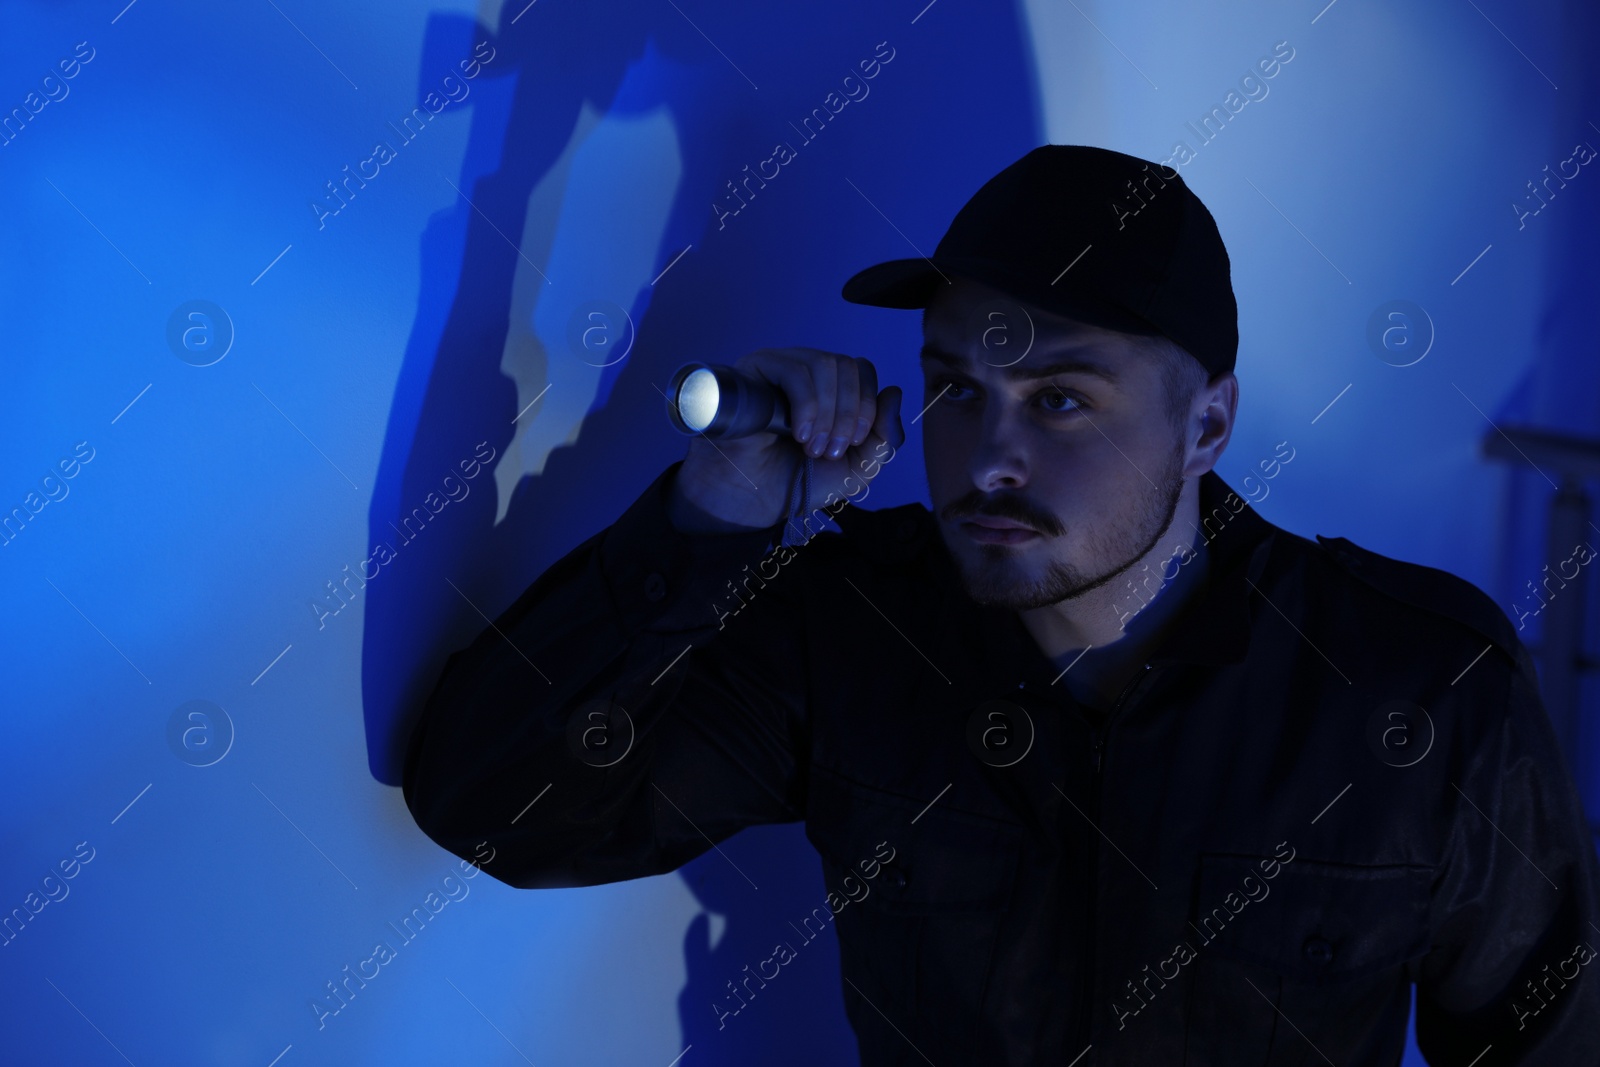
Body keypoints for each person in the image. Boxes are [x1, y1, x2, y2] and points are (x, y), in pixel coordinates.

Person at [401, 145, 1600, 1063]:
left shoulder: (1413, 682)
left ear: (1209, 424)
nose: (985, 459)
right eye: (958, 390)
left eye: (1060, 400)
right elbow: (499, 807)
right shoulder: (853, 627)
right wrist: (714, 516)